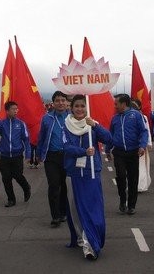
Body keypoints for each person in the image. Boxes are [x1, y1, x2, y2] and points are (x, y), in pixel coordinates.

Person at [63, 94, 112, 260]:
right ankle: (79, 237)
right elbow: (66, 147)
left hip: (92, 173)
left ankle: (91, 244)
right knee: (75, 209)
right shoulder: (66, 125)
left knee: (91, 208)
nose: (79, 109)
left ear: (87, 107)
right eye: (76, 106)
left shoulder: (92, 124)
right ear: (72, 108)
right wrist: (83, 152)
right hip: (74, 173)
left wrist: (96, 126)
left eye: (82, 106)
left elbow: (109, 139)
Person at [106, 94, 148, 215]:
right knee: (120, 176)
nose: (115, 106)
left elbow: (143, 132)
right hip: (119, 152)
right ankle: (122, 200)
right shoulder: (114, 118)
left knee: (133, 179)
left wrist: (142, 146)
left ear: (123, 104)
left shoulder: (136, 115)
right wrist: (108, 150)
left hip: (133, 152)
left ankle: (131, 205)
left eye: (116, 104)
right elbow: (110, 135)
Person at [0, 101, 31, 207]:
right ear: (7, 111)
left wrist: (28, 154)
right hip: (5, 157)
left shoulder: (20, 124)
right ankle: (11, 199)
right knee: (6, 178)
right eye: (13, 109)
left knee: (17, 175)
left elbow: (26, 140)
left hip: (17, 156)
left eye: (16, 109)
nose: (16, 111)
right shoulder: (1, 124)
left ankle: (26, 187)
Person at [36, 90, 70, 227]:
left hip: (68, 156)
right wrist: (38, 153)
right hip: (51, 156)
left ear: (67, 103)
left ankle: (63, 212)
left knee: (65, 186)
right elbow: (41, 137)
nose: (60, 103)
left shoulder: (72, 117)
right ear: (53, 103)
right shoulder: (47, 118)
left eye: (63, 100)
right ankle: (55, 216)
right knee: (54, 185)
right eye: (57, 100)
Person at [131, 98, 152, 192]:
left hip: (140, 145)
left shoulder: (143, 117)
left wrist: (148, 143)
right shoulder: (127, 117)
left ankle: (141, 185)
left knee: (141, 165)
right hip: (132, 145)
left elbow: (146, 131)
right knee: (133, 166)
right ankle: (135, 184)